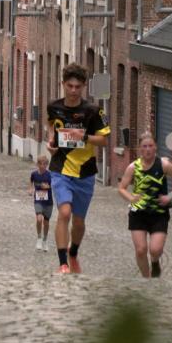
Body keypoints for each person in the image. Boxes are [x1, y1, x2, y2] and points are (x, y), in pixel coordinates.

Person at [46, 63, 110, 274]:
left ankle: (73, 253)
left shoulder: (93, 111)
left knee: (79, 221)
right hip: (60, 168)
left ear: (83, 87)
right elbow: (51, 129)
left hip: (85, 171)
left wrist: (83, 136)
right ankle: (62, 263)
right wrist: (50, 144)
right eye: (69, 86)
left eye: (77, 87)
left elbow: (103, 141)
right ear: (63, 84)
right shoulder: (53, 107)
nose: (73, 91)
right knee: (64, 212)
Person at [117, 132, 172, 278]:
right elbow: (121, 188)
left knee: (155, 249)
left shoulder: (164, 165)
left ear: (155, 148)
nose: (147, 149)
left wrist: (170, 197)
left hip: (159, 214)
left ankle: (155, 262)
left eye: (150, 146)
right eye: (144, 146)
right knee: (141, 250)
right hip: (138, 214)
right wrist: (131, 198)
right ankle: (147, 280)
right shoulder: (133, 167)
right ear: (139, 149)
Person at [28, 155, 53, 252]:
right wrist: (30, 189)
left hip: (48, 201)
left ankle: (45, 240)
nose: (42, 166)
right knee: (39, 219)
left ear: (47, 165)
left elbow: (51, 185)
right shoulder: (34, 174)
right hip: (38, 200)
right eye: (41, 164)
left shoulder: (49, 175)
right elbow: (31, 180)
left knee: (46, 222)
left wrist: (47, 186)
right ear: (37, 164)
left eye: (45, 164)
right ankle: (39, 238)